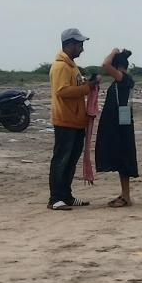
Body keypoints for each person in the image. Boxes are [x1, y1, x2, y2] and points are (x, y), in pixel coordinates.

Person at [48, 28, 96, 211]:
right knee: (61, 160)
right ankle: (55, 198)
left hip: (75, 120)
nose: (82, 49)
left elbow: (72, 88)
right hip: (65, 120)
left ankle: (66, 196)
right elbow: (62, 91)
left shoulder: (71, 66)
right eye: (80, 44)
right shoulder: (60, 66)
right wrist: (87, 88)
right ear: (70, 44)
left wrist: (87, 85)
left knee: (70, 161)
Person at [96, 47, 139, 208]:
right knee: (122, 157)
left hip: (120, 125)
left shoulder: (123, 78)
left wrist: (113, 52)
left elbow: (105, 64)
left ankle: (126, 196)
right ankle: (125, 194)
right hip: (121, 123)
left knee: (123, 157)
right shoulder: (124, 80)